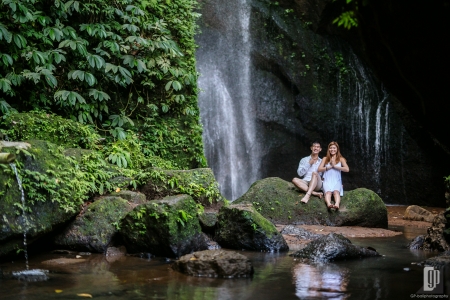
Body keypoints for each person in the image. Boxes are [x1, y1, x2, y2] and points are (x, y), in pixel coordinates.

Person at [317, 141, 349, 210]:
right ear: (328, 149)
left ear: (337, 149)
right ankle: (329, 204)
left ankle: (337, 204)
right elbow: (319, 169)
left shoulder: (341, 159)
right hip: (327, 179)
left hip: (336, 180)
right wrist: (329, 167)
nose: (332, 150)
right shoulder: (325, 158)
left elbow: (347, 169)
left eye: (334, 148)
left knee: (336, 192)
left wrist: (335, 166)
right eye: (331, 148)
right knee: (328, 193)